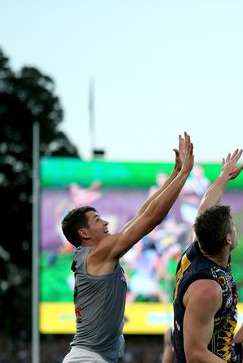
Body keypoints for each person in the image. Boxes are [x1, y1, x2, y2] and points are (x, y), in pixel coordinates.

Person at [61, 133, 194, 363]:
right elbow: (152, 219)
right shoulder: (97, 253)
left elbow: (142, 215)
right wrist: (184, 175)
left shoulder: (98, 252)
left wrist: (173, 174)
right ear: (83, 233)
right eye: (97, 219)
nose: (105, 222)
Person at [172, 149, 243, 363]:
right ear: (228, 241)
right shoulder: (207, 290)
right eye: (232, 227)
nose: (235, 228)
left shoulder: (200, 245)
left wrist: (224, 176)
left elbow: (205, 207)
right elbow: (195, 355)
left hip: (226, 349)